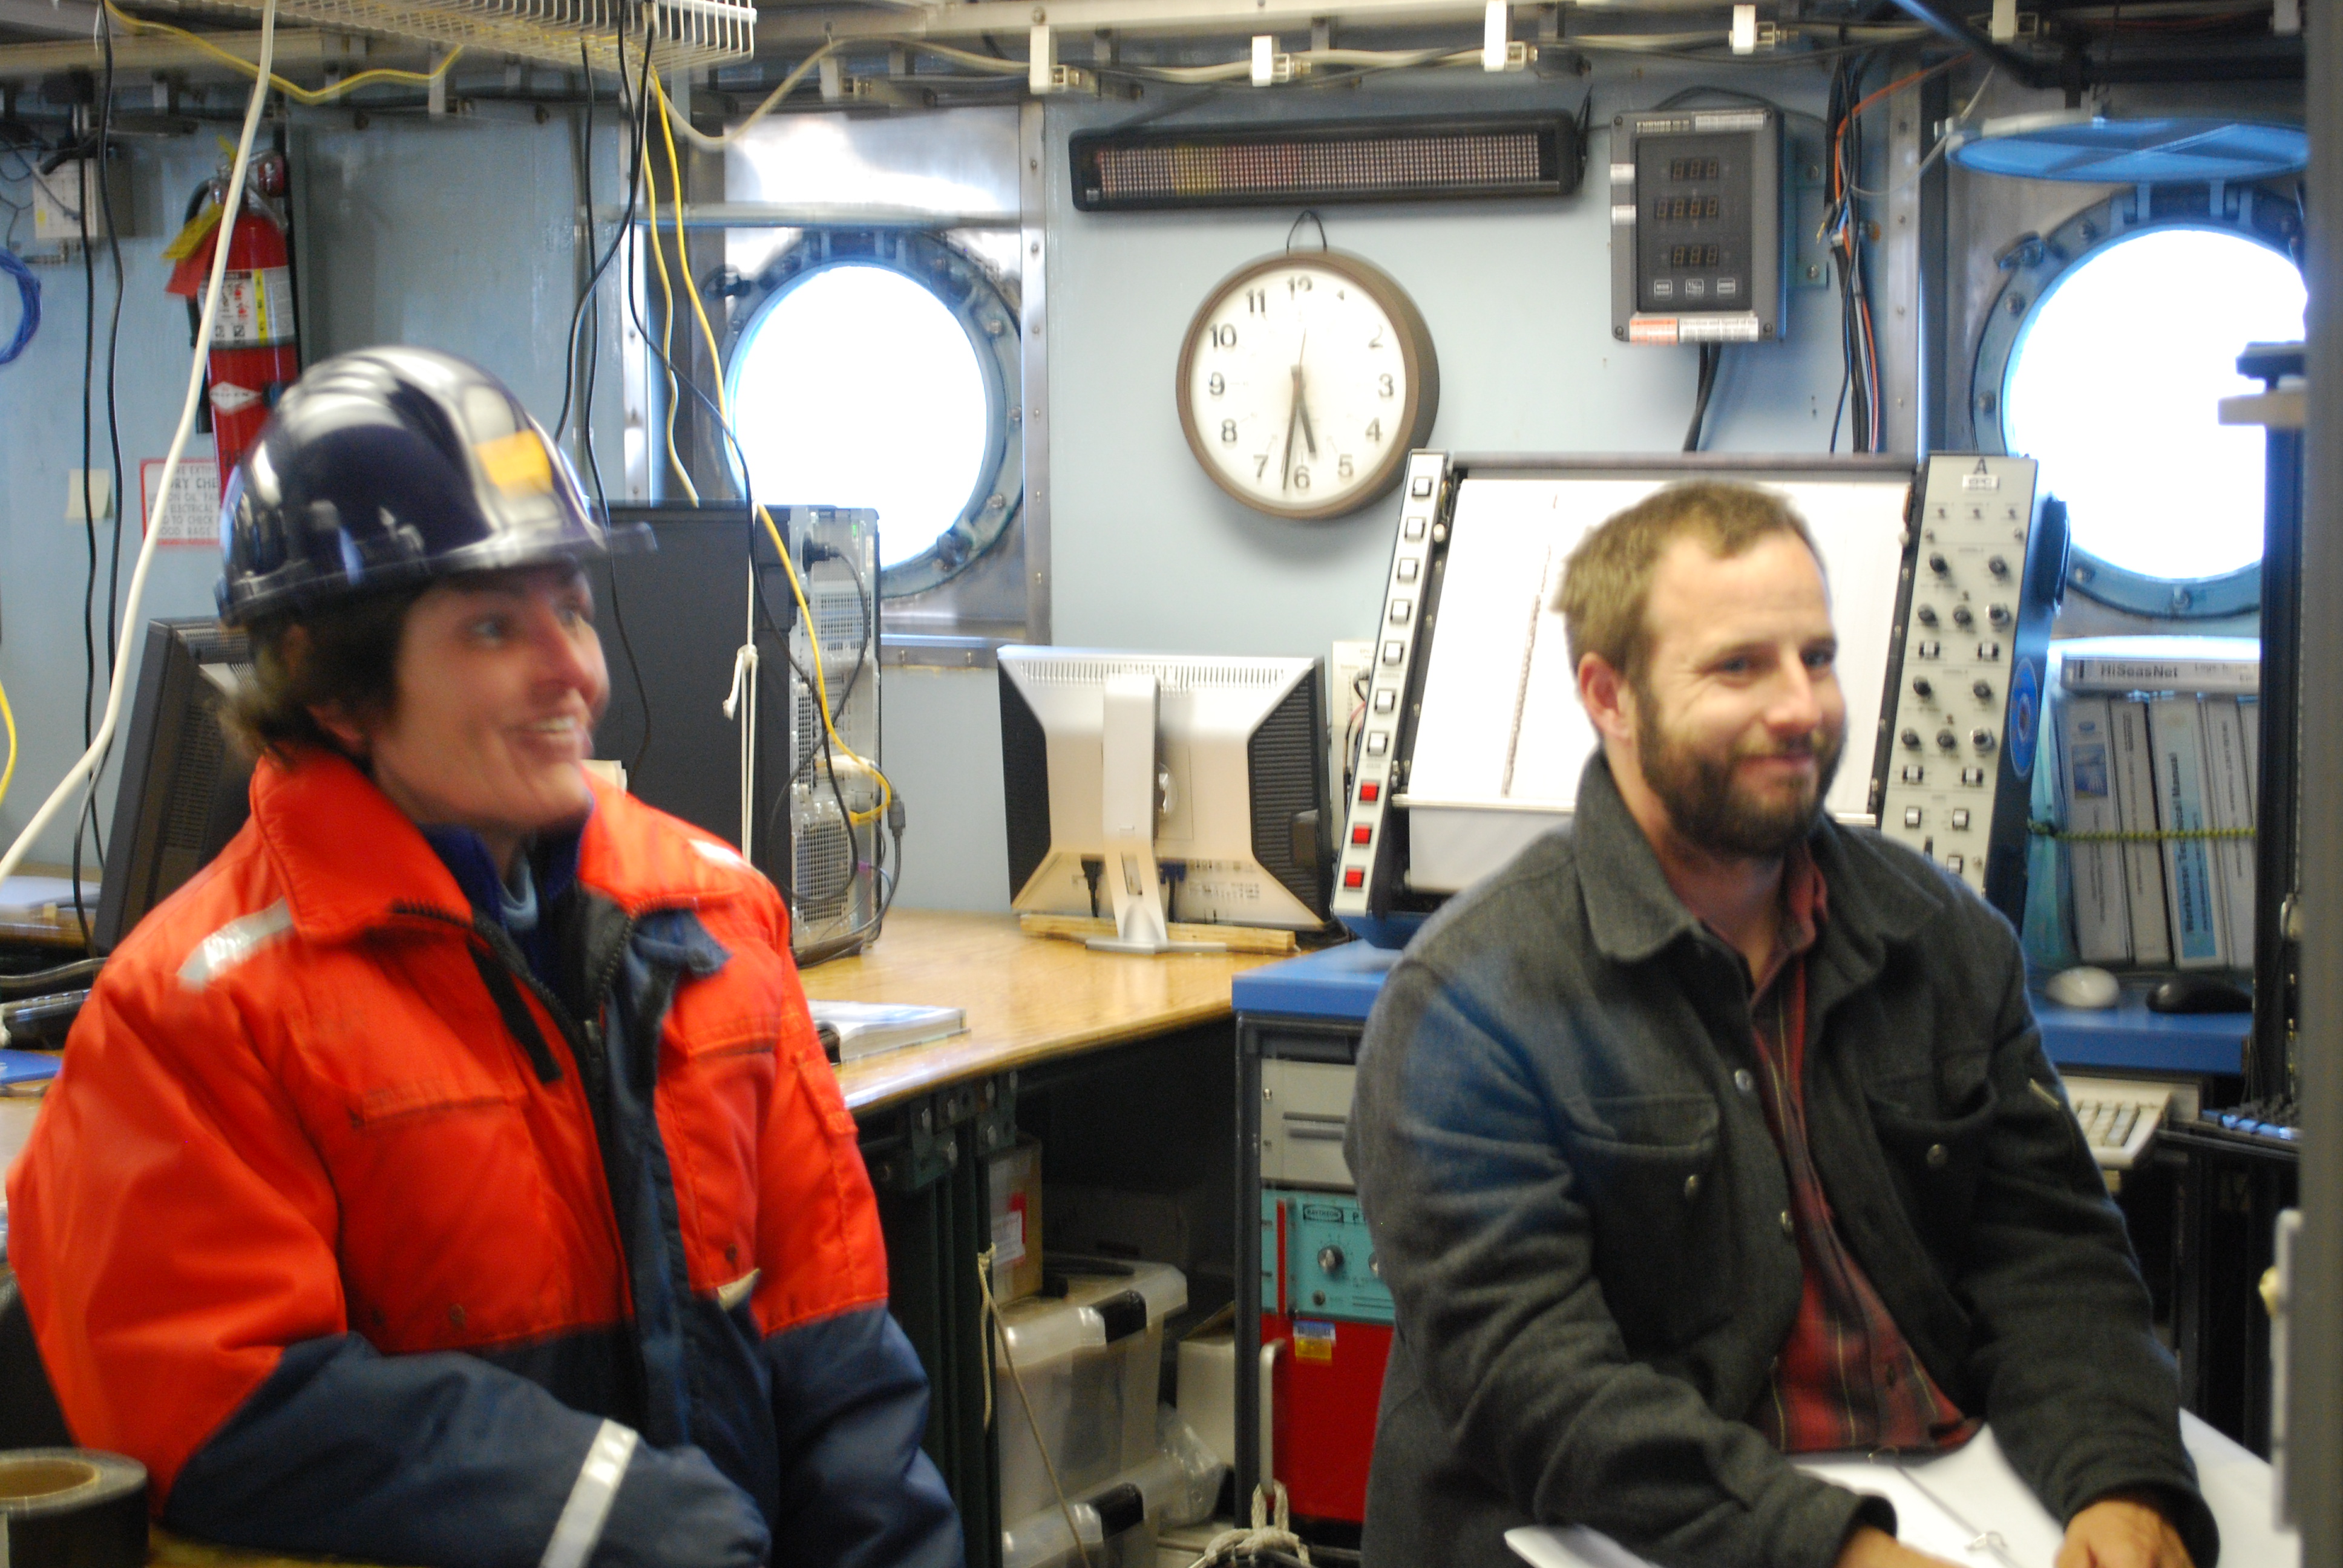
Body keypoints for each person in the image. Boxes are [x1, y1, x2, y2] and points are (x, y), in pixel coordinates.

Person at [6, 347, 962, 1568]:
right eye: (495, 627)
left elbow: (834, 1345)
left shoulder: (716, 916)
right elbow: (207, 1401)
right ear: (332, 685)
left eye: (573, 609)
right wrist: (609, 1515)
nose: (574, 672)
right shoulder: (195, 1014)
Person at [1345, 482, 2214, 1568]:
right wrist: (1839, 1556)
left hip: (1950, 1500)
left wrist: (2123, 1484)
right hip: (1622, 1536)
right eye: (1740, 667)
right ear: (1611, 697)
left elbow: (2054, 1264)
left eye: (1818, 657)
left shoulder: (1945, 939)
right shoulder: (1468, 1001)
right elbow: (1535, 1386)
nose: (1802, 707)